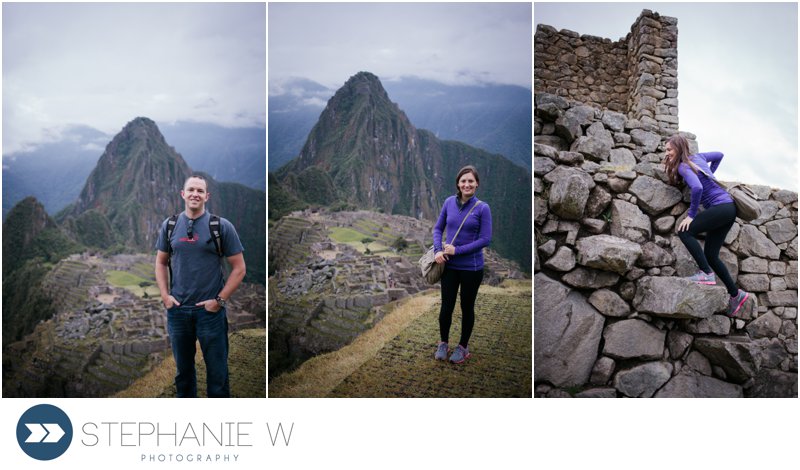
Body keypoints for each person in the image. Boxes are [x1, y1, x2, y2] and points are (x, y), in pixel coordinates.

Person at [155, 175, 246, 397]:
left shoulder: (221, 226)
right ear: (183, 194)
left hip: (209, 313)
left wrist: (219, 301)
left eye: (200, 191)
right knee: (183, 373)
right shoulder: (170, 226)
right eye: (191, 190)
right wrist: (166, 297)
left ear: (207, 196)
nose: (195, 194)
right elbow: (160, 261)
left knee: (217, 373)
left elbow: (239, 268)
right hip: (178, 311)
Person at [664, 134, 749, 317]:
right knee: (711, 254)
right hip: (729, 209)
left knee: (684, 232)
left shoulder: (683, 166)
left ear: (679, 148)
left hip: (720, 207)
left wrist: (691, 215)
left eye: (669, 149)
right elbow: (719, 155)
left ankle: (706, 274)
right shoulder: (699, 158)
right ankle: (736, 294)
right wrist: (712, 173)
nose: (667, 153)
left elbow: (697, 188)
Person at [432, 165, 492, 364]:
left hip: (472, 268)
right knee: (446, 306)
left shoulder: (482, 208)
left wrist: (458, 250)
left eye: (471, 181)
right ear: (458, 183)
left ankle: (463, 347)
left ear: (477, 184)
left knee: (467, 307)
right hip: (449, 266)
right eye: (463, 181)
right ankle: (443, 343)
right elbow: (438, 228)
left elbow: (485, 239)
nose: (467, 184)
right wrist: (437, 250)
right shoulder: (449, 202)